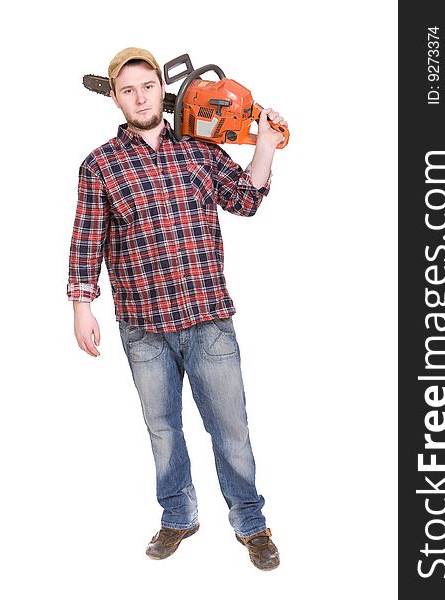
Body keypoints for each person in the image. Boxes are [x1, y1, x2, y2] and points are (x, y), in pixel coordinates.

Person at [67, 47, 287, 571]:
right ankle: (178, 515)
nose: (140, 97)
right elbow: (86, 240)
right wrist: (81, 307)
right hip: (143, 326)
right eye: (128, 90)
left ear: (162, 89)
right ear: (115, 98)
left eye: (147, 86)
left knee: (231, 427)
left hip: (208, 316)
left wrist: (266, 145)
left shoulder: (199, 150)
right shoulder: (99, 165)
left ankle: (251, 523)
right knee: (162, 427)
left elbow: (245, 199)